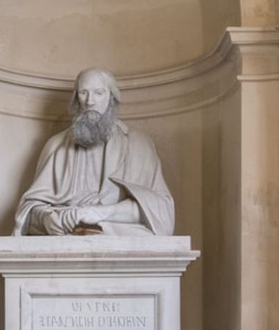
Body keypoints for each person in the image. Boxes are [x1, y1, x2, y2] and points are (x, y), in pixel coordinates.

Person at [14, 67, 174, 236]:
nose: (90, 101)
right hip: (64, 230)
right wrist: (47, 218)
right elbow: (28, 210)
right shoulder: (56, 146)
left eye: (98, 93)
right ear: (76, 98)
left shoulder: (138, 144)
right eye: (83, 93)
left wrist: (100, 213)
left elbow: (161, 210)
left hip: (116, 229)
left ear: (111, 97)